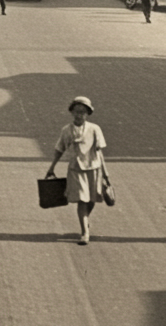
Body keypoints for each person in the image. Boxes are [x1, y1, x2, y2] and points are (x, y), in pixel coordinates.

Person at [43, 96, 109, 245]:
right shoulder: (66, 130)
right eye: (77, 111)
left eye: (83, 112)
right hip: (75, 170)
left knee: (92, 200)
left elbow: (99, 153)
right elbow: (59, 149)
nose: (80, 115)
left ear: (88, 114)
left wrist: (106, 174)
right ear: (72, 112)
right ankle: (85, 232)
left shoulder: (94, 129)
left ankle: (85, 221)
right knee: (82, 200)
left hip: (94, 168)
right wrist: (51, 167)